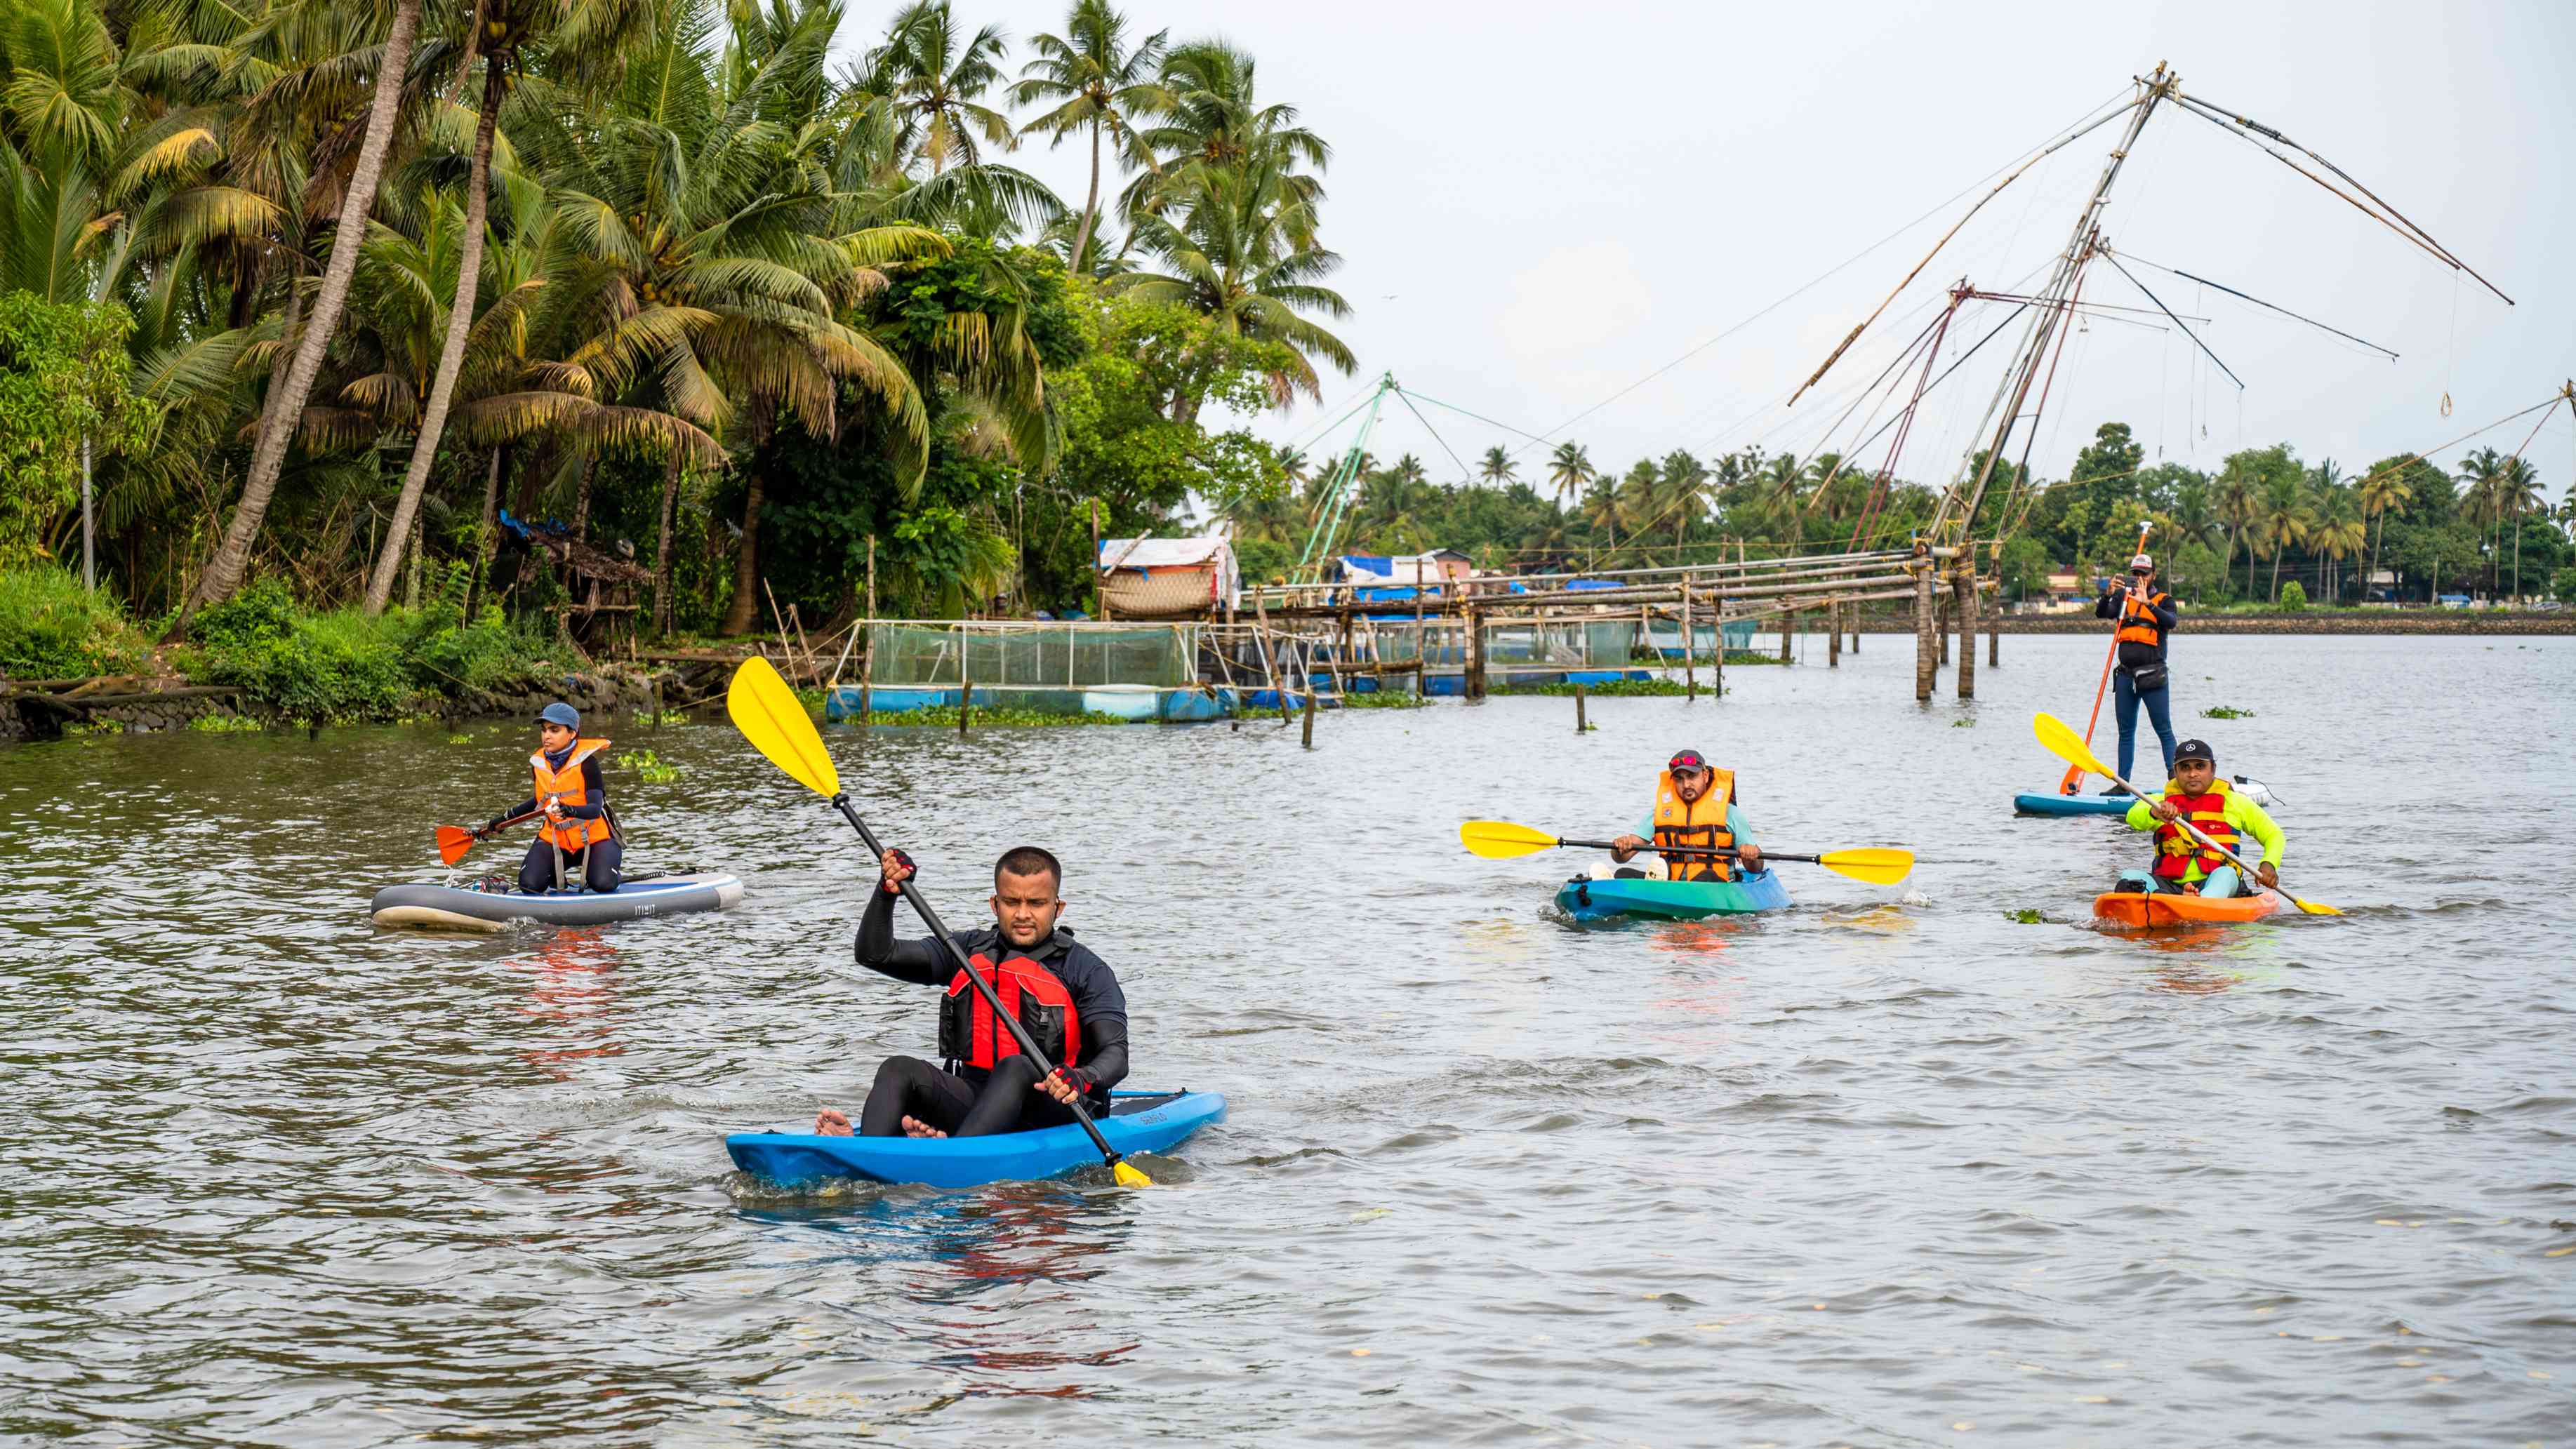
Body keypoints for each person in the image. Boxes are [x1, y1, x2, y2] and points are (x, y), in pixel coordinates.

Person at [816, 844, 1130, 1140]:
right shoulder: (967, 951)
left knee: (1018, 1065)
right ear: (995, 904)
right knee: (898, 1068)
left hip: (1056, 1110)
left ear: (1057, 908)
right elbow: (875, 954)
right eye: (1011, 902)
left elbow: (1116, 1055)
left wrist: (1081, 1077)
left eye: (1036, 903)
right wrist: (887, 892)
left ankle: (953, 1156)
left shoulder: (1086, 969)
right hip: (979, 1104)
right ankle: (870, 1152)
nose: (1022, 914)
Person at [479, 702, 621, 895]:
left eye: (554, 730)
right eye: (544, 730)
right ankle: (553, 874)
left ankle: (606, 872)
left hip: (596, 839)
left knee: (603, 884)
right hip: (557, 840)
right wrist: (503, 820)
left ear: (572, 733)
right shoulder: (539, 764)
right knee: (529, 885)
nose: (547, 736)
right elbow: (538, 801)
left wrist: (568, 810)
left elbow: (595, 808)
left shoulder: (588, 764)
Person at [2118, 738, 2284, 897]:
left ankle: (2195, 902)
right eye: (2185, 768)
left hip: (2217, 883)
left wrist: (2269, 863)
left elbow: (2274, 835)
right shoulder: (2159, 802)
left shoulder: (2235, 802)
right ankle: (2163, 900)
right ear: (2175, 771)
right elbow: (2133, 817)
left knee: (2226, 874)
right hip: (2167, 885)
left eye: (2200, 767)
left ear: (2213, 769)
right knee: (2129, 877)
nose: (2192, 774)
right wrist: (2155, 812)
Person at [1607, 748, 1764, 880]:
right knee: (1622, 874)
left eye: (1691, 776)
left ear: (1705, 775)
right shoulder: (1659, 814)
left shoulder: (1731, 814)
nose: (1686, 784)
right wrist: (1619, 847)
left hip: (1714, 884)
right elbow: (1621, 858)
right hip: (1672, 886)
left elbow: (1756, 868)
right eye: (1679, 779)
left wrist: (1751, 855)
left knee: (1706, 876)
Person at [2096, 552, 2180, 792]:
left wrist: (2147, 603)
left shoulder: (2165, 600)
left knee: (2163, 729)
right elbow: (2103, 613)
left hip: (2153, 676)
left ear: (2154, 575)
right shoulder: (2123, 598)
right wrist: (2108, 594)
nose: (2140, 578)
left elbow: (2171, 622)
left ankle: (2176, 783)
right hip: (2125, 676)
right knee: (2125, 732)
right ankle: (2123, 785)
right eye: (2136, 574)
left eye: (2144, 573)